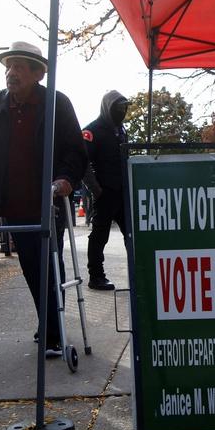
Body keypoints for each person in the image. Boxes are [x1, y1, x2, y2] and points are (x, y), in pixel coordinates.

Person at [0, 41, 86, 358]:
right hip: (13, 200)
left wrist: (66, 178)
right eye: (9, 66)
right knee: (32, 265)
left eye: (19, 67)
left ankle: (54, 333)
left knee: (48, 263)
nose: (10, 73)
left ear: (37, 73)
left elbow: (75, 149)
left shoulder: (56, 103)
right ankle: (50, 324)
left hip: (48, 200)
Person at [82, 90, 130, 290]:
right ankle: (96, 276)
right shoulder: (93, 130)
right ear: (108, 107)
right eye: (118, 107)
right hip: (105, 193)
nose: (123, 111)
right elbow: (82, 163)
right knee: (100, 236)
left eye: (125, 107)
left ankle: (138, 272)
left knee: (131, 234)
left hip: (123, 192)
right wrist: (96, 189)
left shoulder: (121, 130)